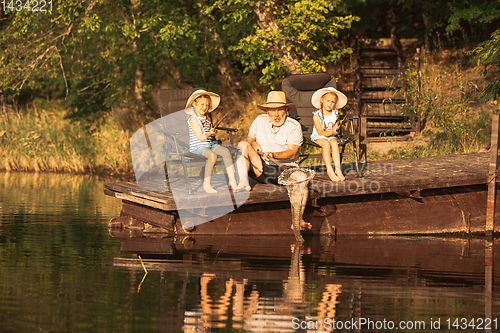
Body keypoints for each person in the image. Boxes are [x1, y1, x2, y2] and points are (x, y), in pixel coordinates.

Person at [235, 91, 312, 230]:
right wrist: (254, 144)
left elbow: (291, 152)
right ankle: (243, 184)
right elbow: (249, 139)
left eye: (280, 110)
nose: (276, 115)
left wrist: (274, 155)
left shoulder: (294, 126)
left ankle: (298, 220)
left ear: (286, 110)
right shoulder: (259, 120)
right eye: (272, 110)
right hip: (261, 168)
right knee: (242, 145)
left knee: (302, 178)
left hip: (284, 171)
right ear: (267, 111)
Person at [186, 90, 238, 193]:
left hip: (210, 144)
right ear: (194, 104)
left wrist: (213, 133)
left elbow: (209, 136)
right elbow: (201, 137)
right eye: (202, 104)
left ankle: (232, 181)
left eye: (207, 105)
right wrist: (209, 134)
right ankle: (206, 184)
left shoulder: (207, 118)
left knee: (226, 152)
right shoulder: (193, 119)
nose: (204, 107)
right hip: (198, 147)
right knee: (212, 155)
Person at [310, 87, 348, 182]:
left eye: (333, 102)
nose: (330, 104)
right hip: (319, 136)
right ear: (322, 100)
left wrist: (336, 129)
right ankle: (330, 170)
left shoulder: (336, 113)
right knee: (326, 144)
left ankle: (338, 169)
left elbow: (336, 125)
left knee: (334, 143)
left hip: (331, 136)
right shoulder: (316, 116)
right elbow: (321, 132)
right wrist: (331, 132)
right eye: (328, 101)